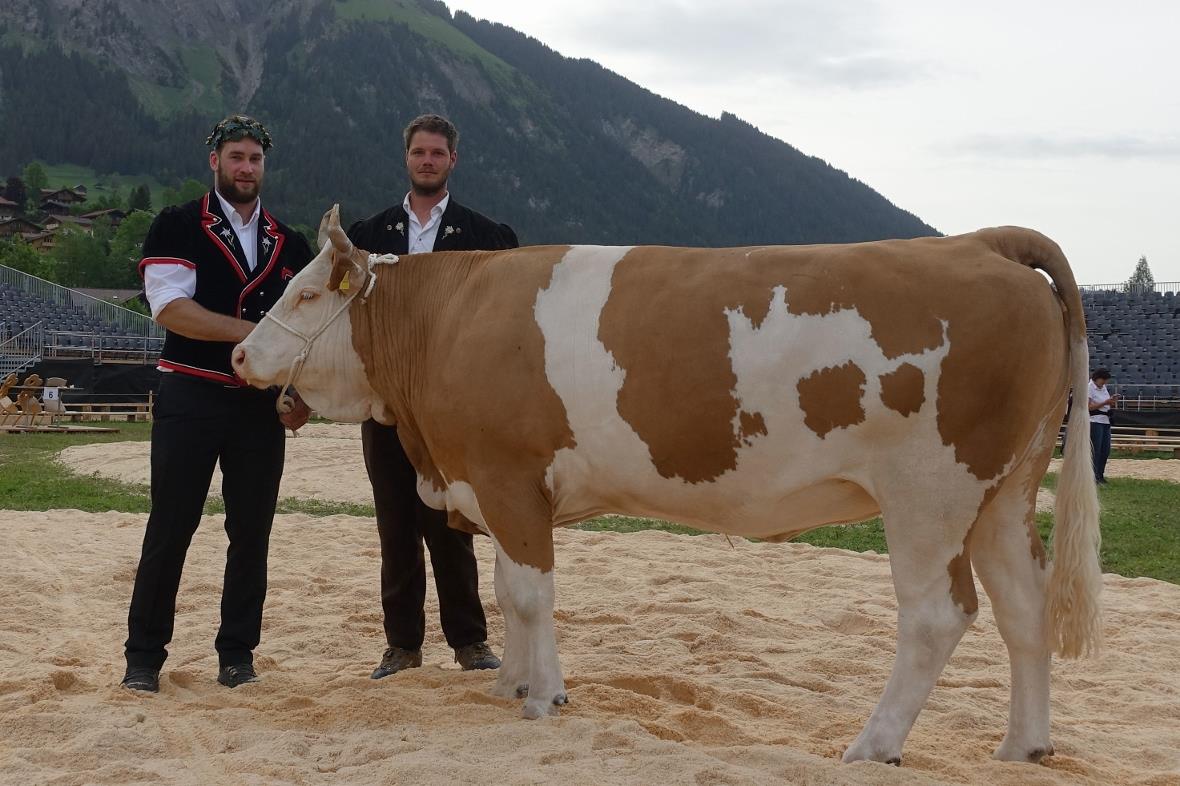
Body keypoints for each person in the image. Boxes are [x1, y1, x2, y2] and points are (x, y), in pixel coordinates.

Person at [121, 115, 313, 693]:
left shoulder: (291, 242)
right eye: (236, 157)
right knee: (171, 525)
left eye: (254, 159)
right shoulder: (179, 224)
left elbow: (306, 331)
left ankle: (237, 654)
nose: (246, 168)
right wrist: (250, 335)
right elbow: (170, 309)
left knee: (251, 533)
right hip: (190, 391)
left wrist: (297, 390)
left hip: (258, 407)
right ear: (215, 162)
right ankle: (144, 657)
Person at [346, 113, 518, 678]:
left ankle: (470, 642)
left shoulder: (490, 237)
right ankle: (402, 645)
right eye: (418, 152)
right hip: (388, 403)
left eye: (437, 153)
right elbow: (347, 316)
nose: (427, 160)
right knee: (395, 525)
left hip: (454, 410)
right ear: (406, 158)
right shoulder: (367, 236)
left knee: (454, 524)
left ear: (452, 161)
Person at [1088, 367, 1118, 484]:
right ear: (1097, 378)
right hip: (1095, 420)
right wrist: (1105, 403)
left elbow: (1102, 404)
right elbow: (1088, 407)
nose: (1104, 383)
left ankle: (1100, 475)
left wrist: (1110, 402)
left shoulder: (1103, 388)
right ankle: (1093, 476)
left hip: (1105, 420)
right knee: (1096, 450)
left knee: (1105, 450)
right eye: (1103, 380)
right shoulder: (1089, 387)